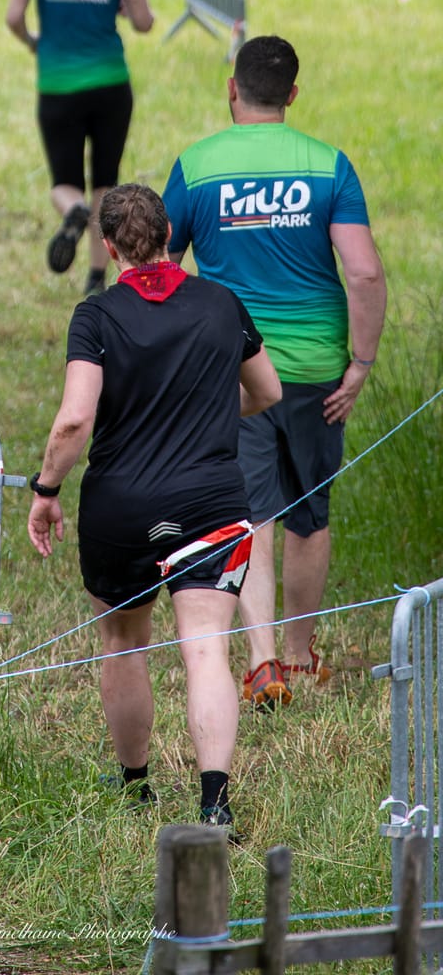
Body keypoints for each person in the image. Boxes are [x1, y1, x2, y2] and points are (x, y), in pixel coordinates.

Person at [27, 183, 281, 831]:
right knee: (205, 649)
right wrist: (214, 416)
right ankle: (214, 801)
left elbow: (74, 420)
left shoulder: (96, 315)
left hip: (122, 508)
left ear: (110, 248)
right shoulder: (222, 303)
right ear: (171, 234)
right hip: (209, 504)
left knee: (123, 645)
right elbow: (268, 390)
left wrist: (46, 489)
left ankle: (137, 787)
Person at [162, 35, 387, 709]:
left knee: (252, 510)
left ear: (232, 88)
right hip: (319, 372)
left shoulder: (197, 167)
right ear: (292, 95)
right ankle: (300, 654)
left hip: (234, 373)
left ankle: (261, 664)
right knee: (308, 517)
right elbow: (366, 270)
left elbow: (164, 273)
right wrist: (361, 363)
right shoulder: (327, 165)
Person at [6, 0, 154, 296]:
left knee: (66, 182)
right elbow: (142, 21)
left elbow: (13, 16)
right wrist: (131, 12)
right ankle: (96, 277)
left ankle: (71, 211)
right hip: (110, 83)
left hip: (58, 85)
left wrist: (34, 41)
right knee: (105, 184)